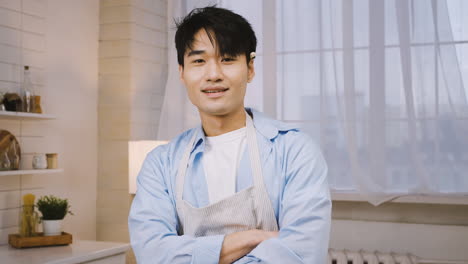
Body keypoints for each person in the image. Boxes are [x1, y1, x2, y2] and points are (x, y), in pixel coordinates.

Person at [128, 6, 331, 264]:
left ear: (250, 68)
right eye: (199, 61)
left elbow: (302, 254)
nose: (213, 75)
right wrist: (253, 238)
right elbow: (153, 254)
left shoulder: (294, 151)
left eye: (227, 59)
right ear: (181, 72)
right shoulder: (161, 164)